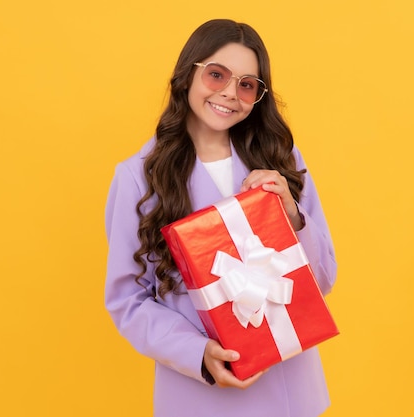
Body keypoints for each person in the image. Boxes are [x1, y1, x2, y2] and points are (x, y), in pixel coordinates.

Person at [105, 19, 337, 417]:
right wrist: (198, 352)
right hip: (203, 394)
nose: (230, 93)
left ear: (258, 96)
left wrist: (292, 217)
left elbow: (324, 279)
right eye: (217, 75)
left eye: (247, 84)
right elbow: (128, 300)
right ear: (187, 74)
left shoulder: (283, 161)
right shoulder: (138, 177)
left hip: (291, 392)